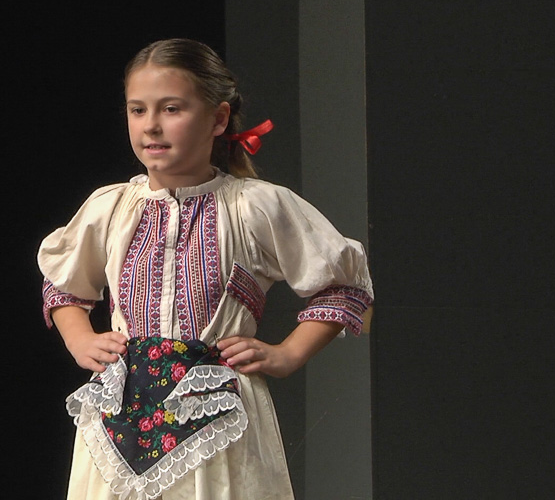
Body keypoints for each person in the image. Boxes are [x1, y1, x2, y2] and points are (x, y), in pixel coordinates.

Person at [37, 38, 374, 500]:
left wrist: (288, 354)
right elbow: (64, 284)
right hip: (119, 417)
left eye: (171, 109)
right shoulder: (111, 208)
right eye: (138, 110)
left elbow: (345, 285)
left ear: (218, 118)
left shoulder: (252, 207)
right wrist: (79, 338)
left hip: (219, 418)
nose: (151, 125)